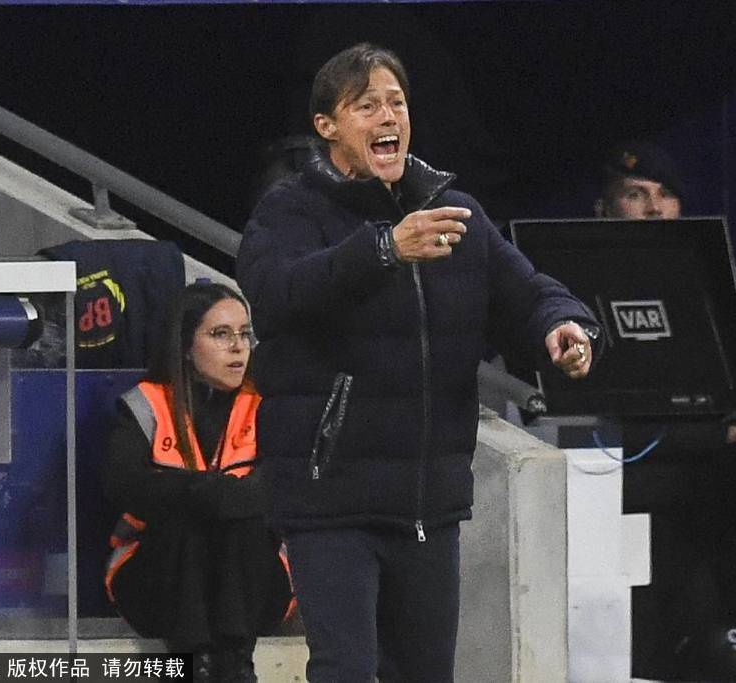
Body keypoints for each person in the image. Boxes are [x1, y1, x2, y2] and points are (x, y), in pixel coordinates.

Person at [236, 43, 601, 682]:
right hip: (330, 499)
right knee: (347, 672)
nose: (388, 117)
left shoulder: (454, 213)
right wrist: (383, 249)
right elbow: (276, 294)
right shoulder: (291, 209)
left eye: (397, 103)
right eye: (366, 105)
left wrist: (563, 324)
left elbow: (524, 292)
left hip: (428, 503)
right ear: (327, 126)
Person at [595, 140, 736, 680]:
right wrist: (707, 434)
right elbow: (593, 417)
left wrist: (731, 427)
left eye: (665, 195)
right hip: (613, 511)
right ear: (604, 208)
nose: (654, 208)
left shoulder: (714, 282)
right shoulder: (571, 286)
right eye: (636, 194)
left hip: (704, 515)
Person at [101, 282, 292, 682]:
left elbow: (281, 488)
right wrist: (206, 492)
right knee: (188, 517)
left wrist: (206, 494)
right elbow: (124, 485)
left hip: (256, 582)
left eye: (245, 334)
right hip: (156, 579)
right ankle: (195, 664)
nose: (238, 348)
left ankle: (235, 663)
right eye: (221, 334)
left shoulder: (270, 404)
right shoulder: (146, 404)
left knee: (239, 521)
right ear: (186, 345)